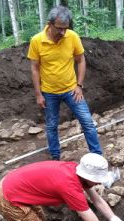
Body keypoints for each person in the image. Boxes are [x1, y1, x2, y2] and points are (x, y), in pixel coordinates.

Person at [27, 5, 102, 161]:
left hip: (71, 90)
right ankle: (55, 158)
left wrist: (79, 85)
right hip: (49, 92)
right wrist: (38, 94)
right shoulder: (36, 41)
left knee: (87, 122)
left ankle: (97, 156)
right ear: (50, 24)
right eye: (59, 29)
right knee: (52, 126)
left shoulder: (72, 36)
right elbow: (34, 68)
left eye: (65, 29)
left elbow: (81, 60)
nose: (63, 32)